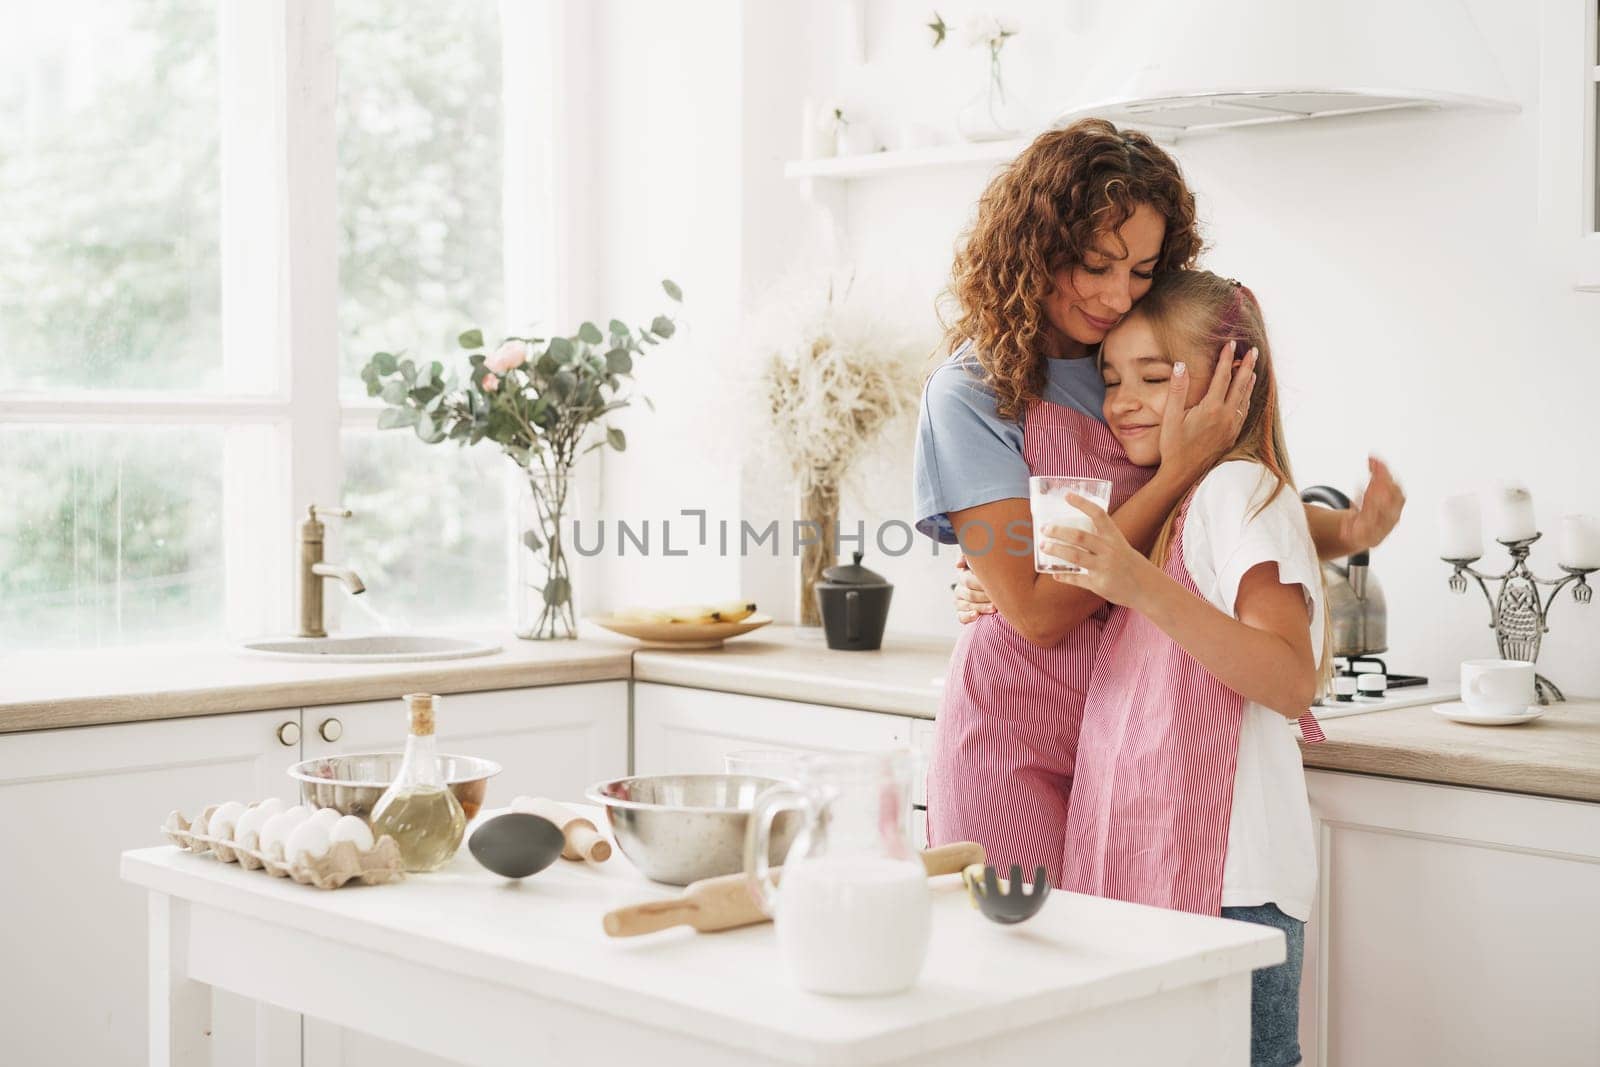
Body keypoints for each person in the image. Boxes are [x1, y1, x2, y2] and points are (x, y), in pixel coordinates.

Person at [912, 119, 1403, 888]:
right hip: (1009, 734)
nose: (1116, 296)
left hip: (1133, 730)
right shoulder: (973, 393)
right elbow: (1037, 612)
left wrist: (1343, 530)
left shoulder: (1142, 359)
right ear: (1036, 245)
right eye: (1096, 264)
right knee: (1022, 969)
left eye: (1141, 269)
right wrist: (1178, 469)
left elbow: (1207, 517)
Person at [1038, 269, 1332, 1067]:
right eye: (1111, 378)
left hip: (1230, 891)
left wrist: (1137, 584)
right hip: (1165, 878)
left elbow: (1287, 677)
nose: (1123, 400)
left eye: (1154, 376)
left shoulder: (1237, 489)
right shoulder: (1180, 499)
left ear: (1233, 378)